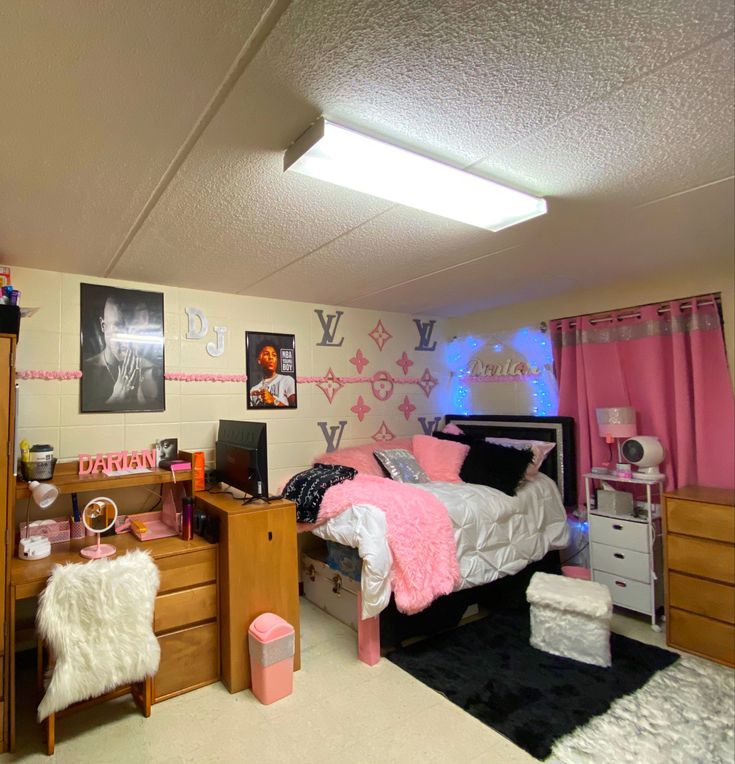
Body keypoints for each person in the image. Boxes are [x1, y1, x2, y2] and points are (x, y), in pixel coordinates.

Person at [82, 293, 160, 411]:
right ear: (104, 326)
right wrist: (115, 399)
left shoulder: (155, 373)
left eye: (136, 331)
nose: (128, 340)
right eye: (120, 328)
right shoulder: (86, 372)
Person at [249, 339, 296, 407]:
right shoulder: (254, 390)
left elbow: (296, 411)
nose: (271, 357)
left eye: (274, 355)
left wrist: (273, 400)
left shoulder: (287, 380)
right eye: (266, 354)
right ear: (259, 360)